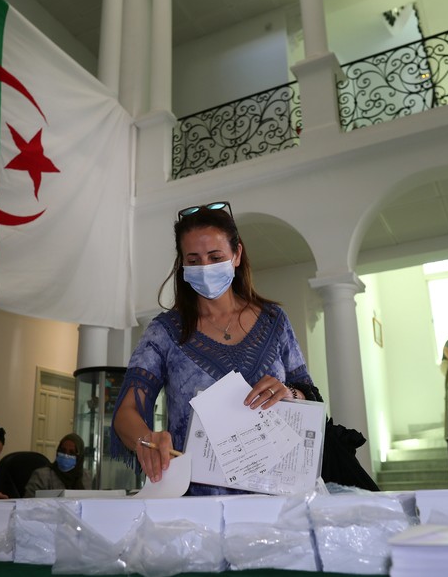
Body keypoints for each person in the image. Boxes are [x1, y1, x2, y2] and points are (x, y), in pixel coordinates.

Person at [110, 201, 323, 496]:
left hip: (276, 498)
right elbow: (127, 412)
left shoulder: (275, 320)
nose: (205, 268)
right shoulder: (165, 332)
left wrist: (289, 393)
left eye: (215, 256)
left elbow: (310, 398)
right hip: (197, 504)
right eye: (194, 260)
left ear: (236, 255)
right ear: (182, 265)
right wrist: (145, 440)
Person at [24, 432, 92, 497]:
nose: (66, 455)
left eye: (72, 453)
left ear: (79, 457)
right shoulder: (42, 476)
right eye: (63, 451)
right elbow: (28, 504)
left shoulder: (86, 477)